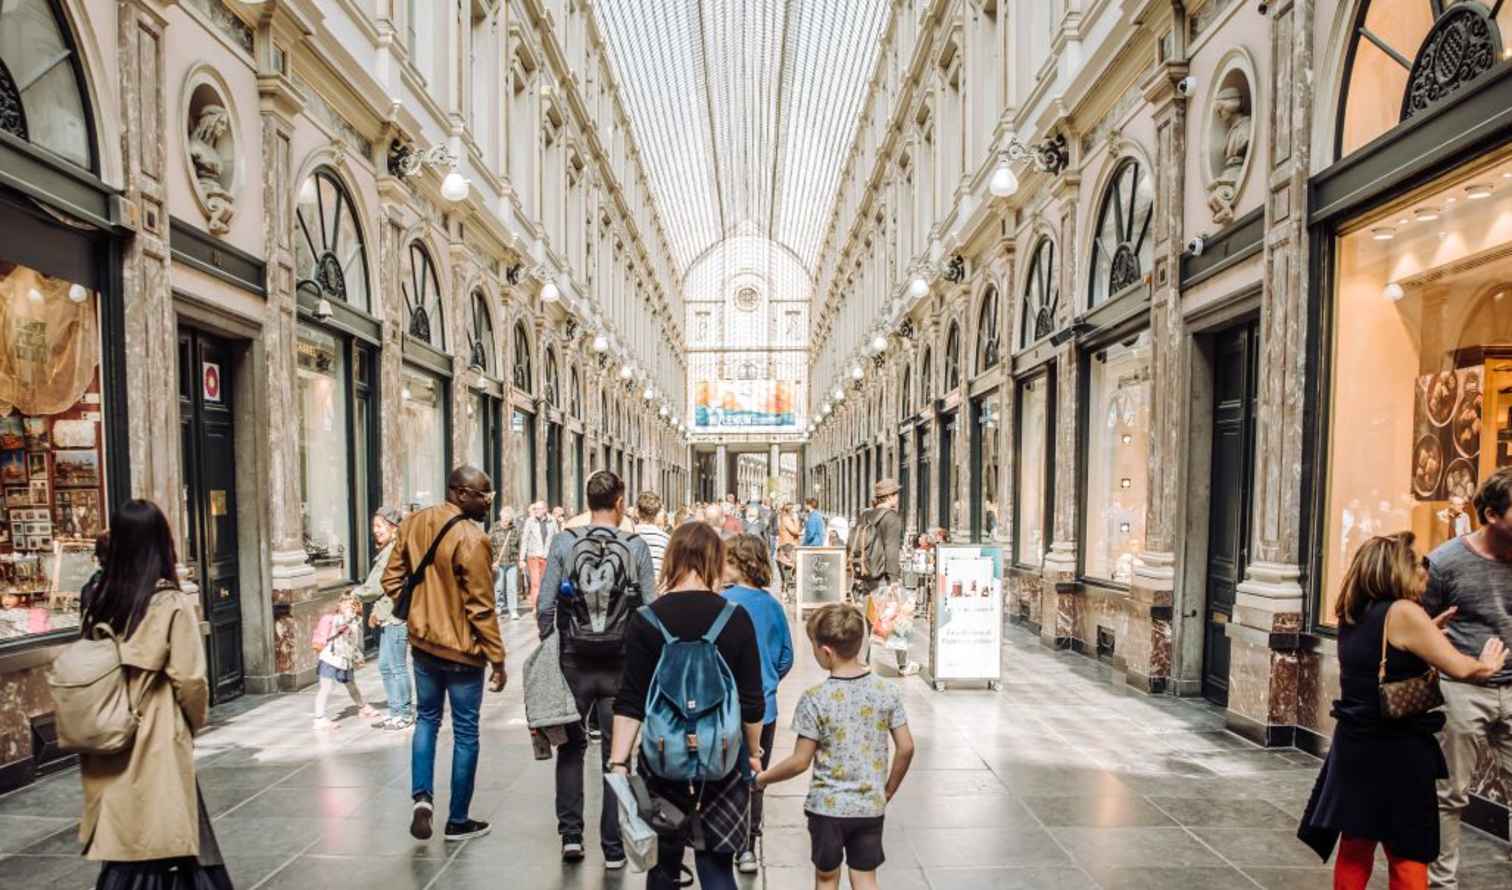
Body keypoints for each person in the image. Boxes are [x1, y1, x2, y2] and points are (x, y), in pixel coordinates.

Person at [1299, 533, 1506, 890]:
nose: (1425, 569)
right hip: (1397, 750)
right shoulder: (1405, 612)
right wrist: (1487, 664)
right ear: (1395, 570)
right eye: (1416, 563)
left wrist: (1430, 631)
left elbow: (1385, 653)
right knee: (1408, 849)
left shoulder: (1352, 609)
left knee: (1356, 844)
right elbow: (1462, 668)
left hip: (1356, 744)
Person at [76, 499, 233, 890]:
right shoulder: (170, 603)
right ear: (162, 544)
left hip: (109, 731)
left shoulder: (99, 599)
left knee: (126, 832)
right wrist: (192, 724)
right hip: (158, 734)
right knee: (163, 830)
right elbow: (190, 680)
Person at [608, 523, 766, 890]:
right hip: (722, 759)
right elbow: (752, 700)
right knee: (716, 867)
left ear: (672, 558)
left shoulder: (646, 620)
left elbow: (630, 700)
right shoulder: (735, 617)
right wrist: (753, 752)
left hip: (663, 758)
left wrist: (619, 761)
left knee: (662, 867)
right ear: (716, 560)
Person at [538, 471, 656, 868]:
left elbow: (544, 605)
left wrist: (553, 646)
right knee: (616, 754)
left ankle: (572, 836)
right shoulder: (635, 546)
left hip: (574, 659)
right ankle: (613, 849)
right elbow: (649, 609)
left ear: (588, 501)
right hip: (621, 663)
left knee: (571, 748)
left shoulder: (564, 541)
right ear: (621, 503)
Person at [383, 465, 507, 843]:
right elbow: (481, 607)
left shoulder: (414, 523)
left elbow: (391, 580)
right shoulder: (473, 539)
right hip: (463, 653)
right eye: (482, 494)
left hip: (422, 645)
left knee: (426, 720)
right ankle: (457, 820)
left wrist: (420, 611)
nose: (488, 501)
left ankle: (422, 799)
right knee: (466, 732)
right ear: (459, 492)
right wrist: (498, 658)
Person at [758, 604, 916, 890]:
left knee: (827, 878)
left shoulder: (815, 698)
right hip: (869, 805)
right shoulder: (887, 692)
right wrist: (888, 789)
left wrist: (762, 779)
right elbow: (905, 747)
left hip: (827, 809)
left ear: (826, 652)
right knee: (865, 877)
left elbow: (800, 761)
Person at [1421, 468, 1512, 888]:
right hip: (1461, 690)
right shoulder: (1444, 562)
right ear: (1492, 515)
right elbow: (1420, 624)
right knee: (1450, 794)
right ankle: (1442, 884)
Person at [721, 534, 795, 874]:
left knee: (722, 773)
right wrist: (767, 680)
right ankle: (748, 846)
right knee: (756, 773)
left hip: (722, 705)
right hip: (763, 706)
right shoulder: (773, 606)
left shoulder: (722, 602)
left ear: (736, 563)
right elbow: (786, 657)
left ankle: (722, 835)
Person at [851, 480, 913, 674]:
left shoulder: (865, 515)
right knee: (897, 618)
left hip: (866, 574)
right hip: (883, 576)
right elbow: (891, 550)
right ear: (890, 497)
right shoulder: (891, 518)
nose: (897, 498)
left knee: (867, 620)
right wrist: (894, 579)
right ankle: (903, 665)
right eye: (896, 494)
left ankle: (862, 662)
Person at [363, 507, 412, 730]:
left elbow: (377, 585)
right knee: (385, 666)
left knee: (397, 667)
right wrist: (375, 610)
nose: (375, 531)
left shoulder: (393, 551)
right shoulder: (387, 550)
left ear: (393, 529)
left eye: (379, 526)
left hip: (396, 617)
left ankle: (405, 713)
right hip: (386, 616)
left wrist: (353, 595)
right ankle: (395, 711)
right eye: (374, 527)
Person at [312, 591, 378, 730]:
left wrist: (357, 657)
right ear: (339, 604)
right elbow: (342, 622)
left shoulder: (354, 622)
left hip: (344, 661)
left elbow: (352, 643)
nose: (348, 606)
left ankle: (362, 707)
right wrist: (349, 614)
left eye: (351, 604)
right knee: (326, 688)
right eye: (345, 603)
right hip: (329, 658)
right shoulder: (334, 619)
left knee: (352, 686)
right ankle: (319, 718)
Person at [520, 501, 559, 606]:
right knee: (536, 583)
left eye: (538, 509)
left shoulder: (552, 521)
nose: (536, 511)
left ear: (545, 509)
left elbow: (557, 537)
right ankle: (536, 607)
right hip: (533, 556)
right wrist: (521, 559)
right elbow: (525, 539)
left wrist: (557, 554)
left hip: (547, 556)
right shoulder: (530, 521)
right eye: (535, 509)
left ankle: (545, 605)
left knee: (546, 583)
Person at [490, 505, 523, 621]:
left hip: (512, 562)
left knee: (512, 587)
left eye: (508, 518)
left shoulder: (514, 529)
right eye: (504, 517)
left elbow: (519, 545)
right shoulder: (494, 528)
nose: (506, 520)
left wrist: (520, 560)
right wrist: (492, 561)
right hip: (498, 563)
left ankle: (513, 610)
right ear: (501, 516)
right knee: (498, 586)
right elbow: (489, 545)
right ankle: (498, 607)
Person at [633, 491, 671, 585]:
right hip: (658, 592)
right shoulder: (667, 539)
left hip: (634, 593)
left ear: (637, 511)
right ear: (657, 513)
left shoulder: (630, 535)